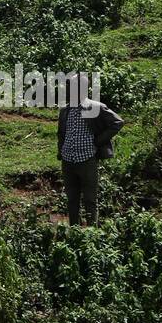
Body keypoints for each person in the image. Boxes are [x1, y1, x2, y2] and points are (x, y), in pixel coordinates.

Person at [58, 96, 123, 226]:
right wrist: (60, 150)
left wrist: (98, 141)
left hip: (87, 159)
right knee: (72, 199)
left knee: (90, 200)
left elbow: (117, 122)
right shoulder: (65, 110)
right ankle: (75, 231)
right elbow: (61, 133)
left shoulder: (95, 107)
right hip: (68, 160)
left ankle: (92, 234)